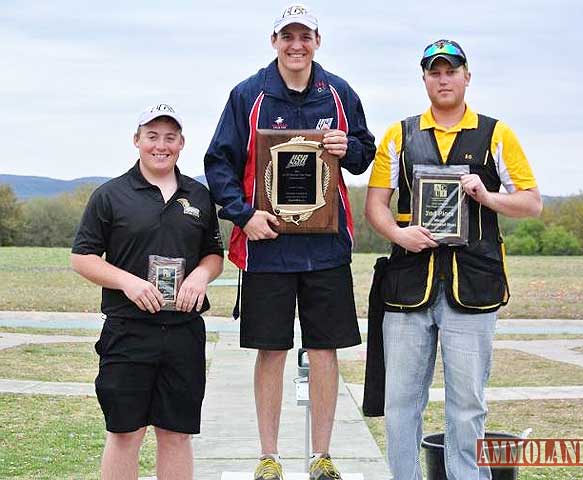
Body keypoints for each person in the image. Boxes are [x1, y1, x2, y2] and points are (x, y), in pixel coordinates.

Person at [204, 4, 375, 480]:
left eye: (305, 36)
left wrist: (349, 148)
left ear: (317, 41)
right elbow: (218, 162)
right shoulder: (248, 94)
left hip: (326, 246)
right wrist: (244, 215)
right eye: (287, 36)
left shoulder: (339, 92)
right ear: (273, 41)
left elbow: (366, 153)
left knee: (324, 349)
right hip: (268, 245)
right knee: (271, 349)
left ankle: (321, 455)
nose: (296, 45)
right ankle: (269, 456)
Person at [363, 39, 542, 480]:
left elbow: (532, 203)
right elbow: (375, 206)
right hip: (408, 286)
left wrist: (487, 195)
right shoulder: (398, 135)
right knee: (401, 402)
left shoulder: (497, 134)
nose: (443, 79)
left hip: (473, 287)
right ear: (424, 78)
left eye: (451, 70)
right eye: (434, 71)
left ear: (467, 76)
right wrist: (398, 232)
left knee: (467, 404)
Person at [71, 103, 224, 480]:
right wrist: (129, 281)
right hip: (127, 330)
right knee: (125, 433)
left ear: (181, 143)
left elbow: (214, 254)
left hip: (184, 331)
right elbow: (83, 258)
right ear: (136, 140)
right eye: (152, 136)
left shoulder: (199, 196)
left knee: (176, 434)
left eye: (169, 137)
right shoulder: (110, 195)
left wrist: (201, 276)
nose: (161, 145)